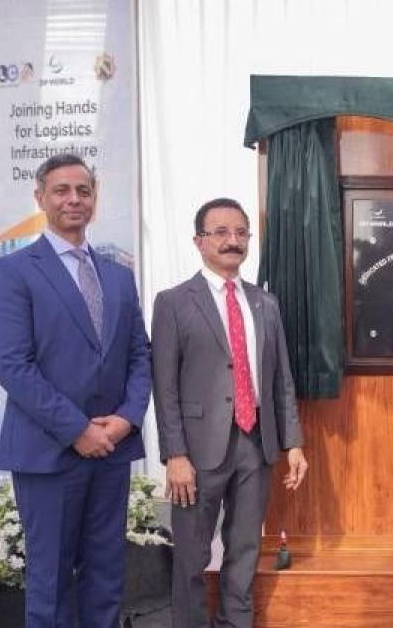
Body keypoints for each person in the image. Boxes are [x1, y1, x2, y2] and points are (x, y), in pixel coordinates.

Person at [0, 153, 151, 627]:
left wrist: (127, 419)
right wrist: (78, 430)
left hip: (112, 451)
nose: (74, 199)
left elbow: (140, 354)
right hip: (48, 452)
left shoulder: (119, 274)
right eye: (61, 190)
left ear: (94, 199)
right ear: (40, 198)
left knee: (106, 575)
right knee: (50, 581)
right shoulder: (11, 272)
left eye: (83, 190)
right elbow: (12, 366)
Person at [151, 197, 308, 627]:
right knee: (191, 557)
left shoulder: (265, 303)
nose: (232, 240)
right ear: (198, 241)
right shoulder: (173, 302)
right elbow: (164, 386)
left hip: (256, 444)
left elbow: (281, 379)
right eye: (220, 232)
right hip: (196, 452)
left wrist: (293, 443)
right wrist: (175, 455)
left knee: (244, 551)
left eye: (240, 232)